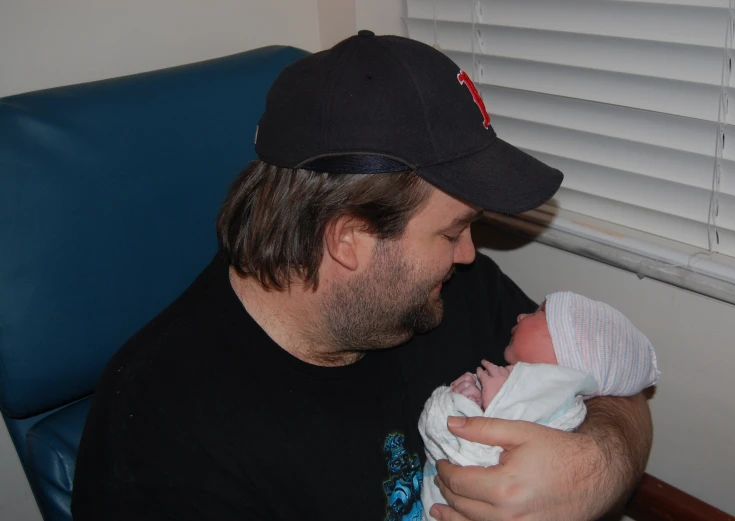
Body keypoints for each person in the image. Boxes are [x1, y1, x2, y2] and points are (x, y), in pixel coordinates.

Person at [72, 32, 653, 521]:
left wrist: (592, 467)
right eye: (452, 232)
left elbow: (618, 385)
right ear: (348, 239)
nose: (470, 255)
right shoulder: (158, 442)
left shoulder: (453, 287)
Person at [419, 292, 661, 520]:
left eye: (541, 313)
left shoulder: (552, 393)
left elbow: (494, 438)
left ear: (569, 347)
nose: (521, 315)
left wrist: (487, 402)